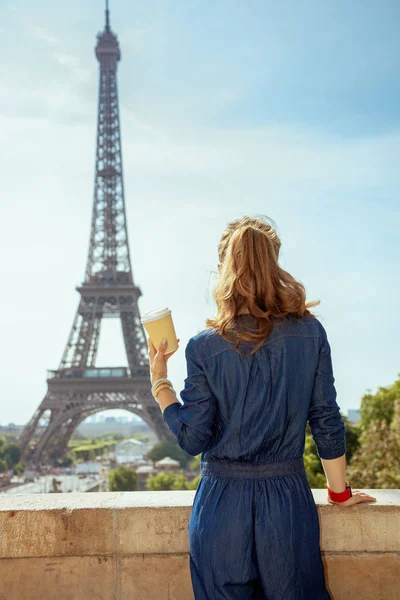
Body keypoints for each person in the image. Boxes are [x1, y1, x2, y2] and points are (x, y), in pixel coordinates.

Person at [147, 215, 376, 600]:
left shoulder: (203, 346)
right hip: (287, 502)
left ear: (223, 272)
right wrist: (338, 492)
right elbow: (326, 420)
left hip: (221, 506)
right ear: (275, 266)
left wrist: (160, 384)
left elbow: (192, 437)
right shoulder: (311, 332)